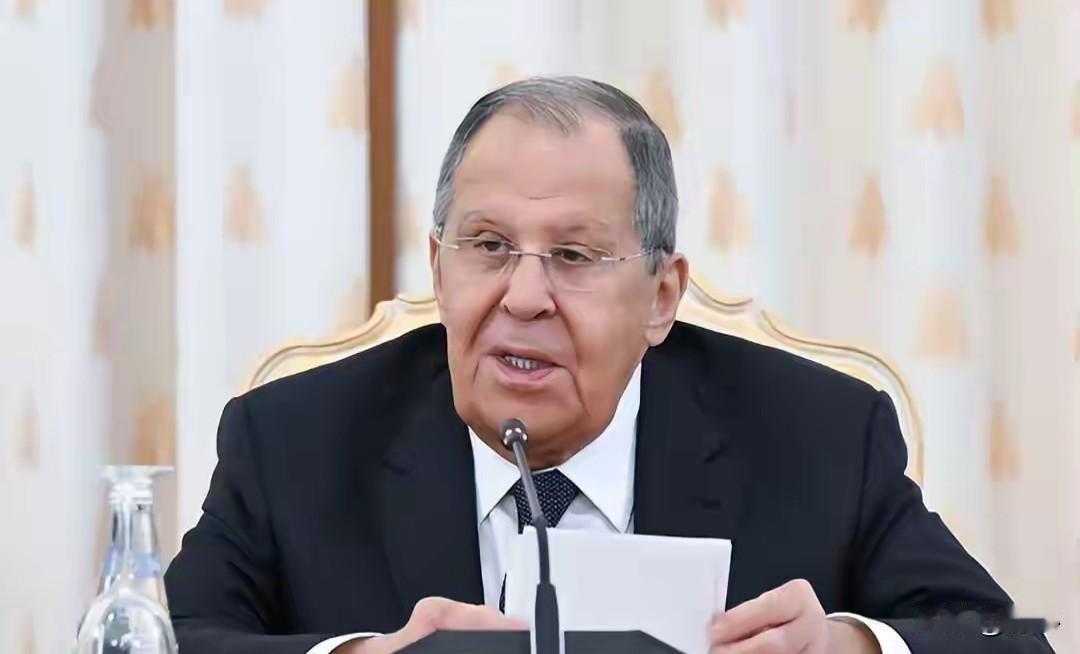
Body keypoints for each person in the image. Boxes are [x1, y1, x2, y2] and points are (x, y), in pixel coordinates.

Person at [164, 76, 1054, 654]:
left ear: (662, 295)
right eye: (488, 245)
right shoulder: (295, 440)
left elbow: (1008, 642)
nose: (523, 297)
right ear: (437, 266)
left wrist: (848, 646)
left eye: (575, 256)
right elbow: (162, 641)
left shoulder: (819, 434)